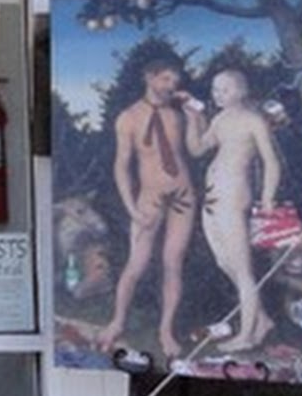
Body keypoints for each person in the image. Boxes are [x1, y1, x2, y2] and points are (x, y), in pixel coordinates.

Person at [94, 43, 198, 364]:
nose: (171, 86)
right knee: (136, 263)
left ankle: (166, 330)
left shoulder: (178, 115)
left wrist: (196, 115)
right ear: (149, 78)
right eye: (166, 79)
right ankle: (117, 321)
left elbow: (196, 150)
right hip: (149, 198)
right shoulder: (128, 118)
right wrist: (132, 209)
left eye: (175, 80)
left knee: (172, 261)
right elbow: (121, 167)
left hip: (183, 195)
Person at [186, 67, 284, 355]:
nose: (218, 95)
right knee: (223, 262)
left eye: (225, 89)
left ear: (241, 91)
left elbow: (272, 161)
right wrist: (193, 120)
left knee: (242, 269)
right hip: (213, 197)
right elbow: (197, 149)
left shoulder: (253, 120)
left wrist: (268, 197)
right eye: (215, 90)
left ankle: (247, 336)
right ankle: (262, 320)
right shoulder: (220, 119)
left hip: (233, 195)